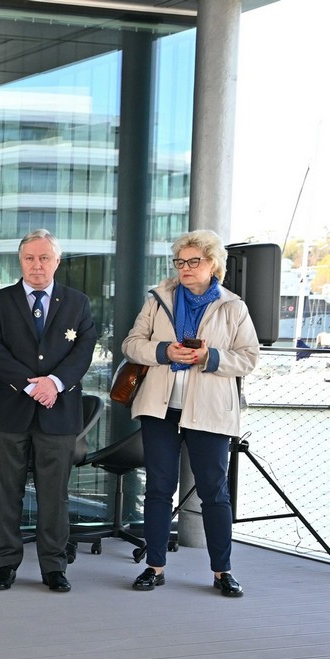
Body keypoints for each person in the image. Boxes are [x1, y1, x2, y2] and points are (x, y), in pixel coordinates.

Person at [121, 229, 259, 596]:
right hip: (159, 407)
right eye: (180, 261)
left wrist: (209, 356)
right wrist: (164, 351)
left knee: (214, 491)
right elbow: (131, 344)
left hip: (210, 410)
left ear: (213, 264)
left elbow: (248, 358)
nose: (184, 267)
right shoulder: (158, 299)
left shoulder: (233, 306)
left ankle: (222, 571)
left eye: (193, 261)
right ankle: (154, 567)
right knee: (158, 488)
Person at [0, 229, 95, 593]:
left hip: (58, 412)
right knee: (5, 493)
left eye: (44, 258)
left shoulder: (78, 303)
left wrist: (54, 383)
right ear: (20, 261)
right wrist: (31, 385)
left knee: (54, 496)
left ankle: (54, 567)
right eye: (30, 258)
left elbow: (84, 351)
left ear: (57, 261)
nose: (37, 265)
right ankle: (4, 564)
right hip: (7, 412)